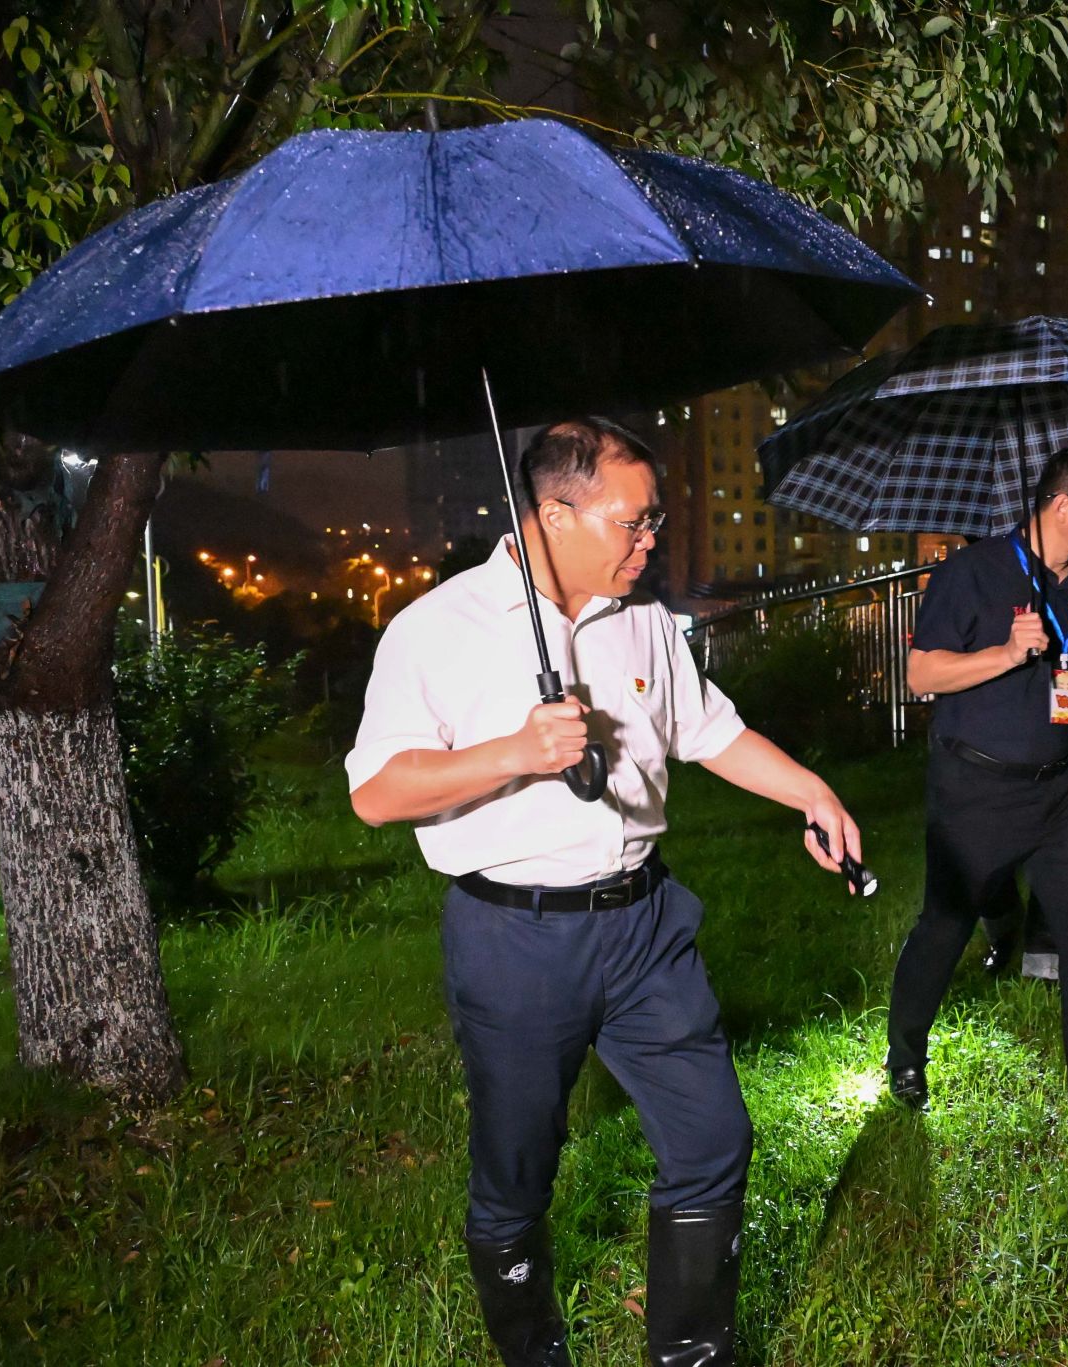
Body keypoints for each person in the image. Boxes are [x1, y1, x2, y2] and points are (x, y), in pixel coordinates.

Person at [346, 418, 864, 1367]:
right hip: (515, 938)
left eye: (655, 519)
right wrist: (515, 751)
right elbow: (376, 792)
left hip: (645, 924)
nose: (651, 540)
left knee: (713, 1140)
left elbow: (709, 731)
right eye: (634, 522)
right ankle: (534, 1352)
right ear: (554, 514)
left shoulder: (643, 621)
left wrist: (813, 792)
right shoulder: (437, 629)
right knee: (516, 1172)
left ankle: (692, 1353)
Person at [886, 442, 1068, 1133]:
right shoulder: (971, 573)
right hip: (976, 788)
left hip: (1060, 793)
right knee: (945, 926)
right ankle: (906, 1051)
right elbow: (921, 675)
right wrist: (1005, 653)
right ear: (1062, 505)